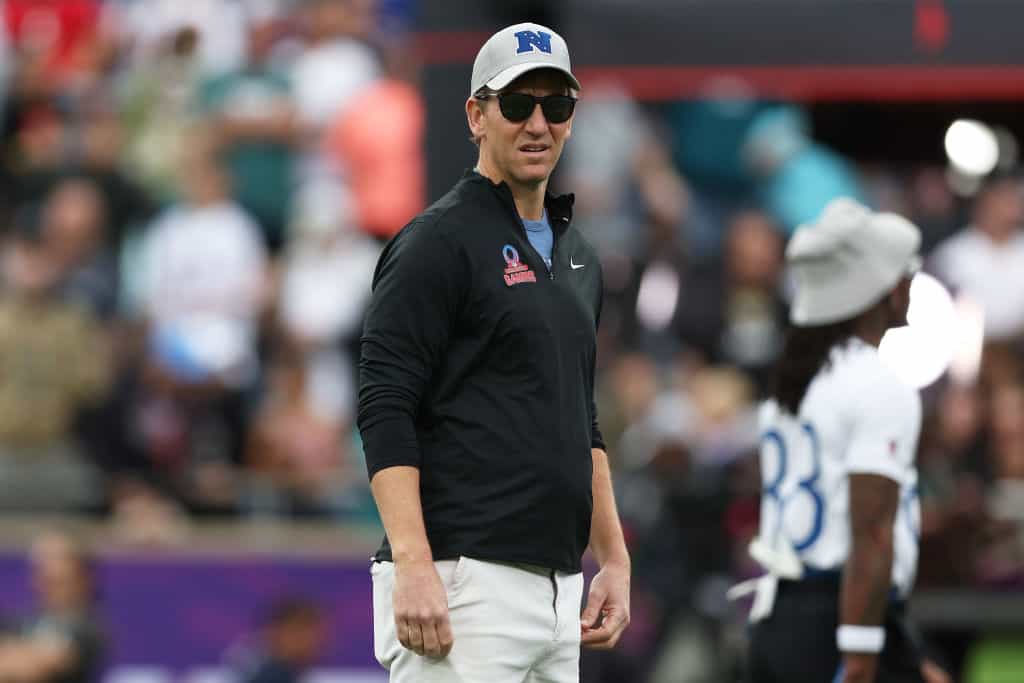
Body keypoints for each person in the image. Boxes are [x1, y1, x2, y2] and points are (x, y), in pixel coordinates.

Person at [357, 22, 631, 683]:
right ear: (477, 114)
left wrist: (614, 558)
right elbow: (384, 405)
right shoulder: (436, 242)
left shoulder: (579, 257)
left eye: (556, 105)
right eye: (517, 104)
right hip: (462, 579)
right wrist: (415, 563)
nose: (537, 122)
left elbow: (580, 419)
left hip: (556, 588)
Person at [740, 198, 951, 683]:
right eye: (904, 272)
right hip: (836, 624)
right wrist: (859, 657)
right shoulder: (879, 383)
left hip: (778, 621)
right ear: (880, 289)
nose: (911, 282)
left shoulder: (792, 382)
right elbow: (872, 533)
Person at [0, 531, 106, 683]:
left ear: (81, 575)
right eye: (42, 561)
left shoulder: (88, 628)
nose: (49, 567)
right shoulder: (17, 621)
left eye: (58, 558)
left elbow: (28, 670)